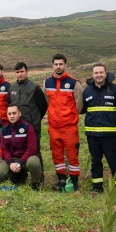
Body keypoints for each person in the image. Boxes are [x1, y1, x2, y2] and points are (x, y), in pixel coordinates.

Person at [81, 64, 116, 193]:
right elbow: (83, 109)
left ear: (106, 73)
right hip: (93, 135)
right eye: (96, 73)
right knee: (95, 163)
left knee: (115, 163)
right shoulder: (87, 91)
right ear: (92, 75)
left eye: (101, 72)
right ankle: (97, 187)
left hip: (111, 135)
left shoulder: (115, 89)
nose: (99, 75)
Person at [43, 53, 84, 191]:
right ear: (52, 66)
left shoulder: (73, 82)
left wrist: (71, 117)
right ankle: (61, 180)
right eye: (56, 64)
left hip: (69, 127)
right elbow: (47, 101)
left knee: (72, 155)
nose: (58, 67)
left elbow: (79, 102)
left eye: (61, 64)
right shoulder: (47, 83)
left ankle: (74, 182)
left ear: (65, 65)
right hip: (54, 127)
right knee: (57, 154)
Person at [0, 104, 42, 190]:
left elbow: (32, 149)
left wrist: (20, 163)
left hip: (26, 159)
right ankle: (15, 178)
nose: (12, 116)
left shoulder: (28, 127)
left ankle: (35, 184)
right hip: (12, 159)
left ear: (19, 114)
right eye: (9, 114)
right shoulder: (4, 130)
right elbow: (4, 149)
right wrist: (10, 163)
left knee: (34, 162)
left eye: (14, 113)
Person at [9, 62, 47, 160]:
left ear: (27, 72)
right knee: (18, 151)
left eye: (22, 71)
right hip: (16, 127)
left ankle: (39, 175)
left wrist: (35, 119)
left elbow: (42, 107)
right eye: (17, 72)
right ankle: (21, 174)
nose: (19, 74)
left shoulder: (35, 88)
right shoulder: (12, 89)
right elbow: (10, 106)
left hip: (32, 127)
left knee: (35, 152)